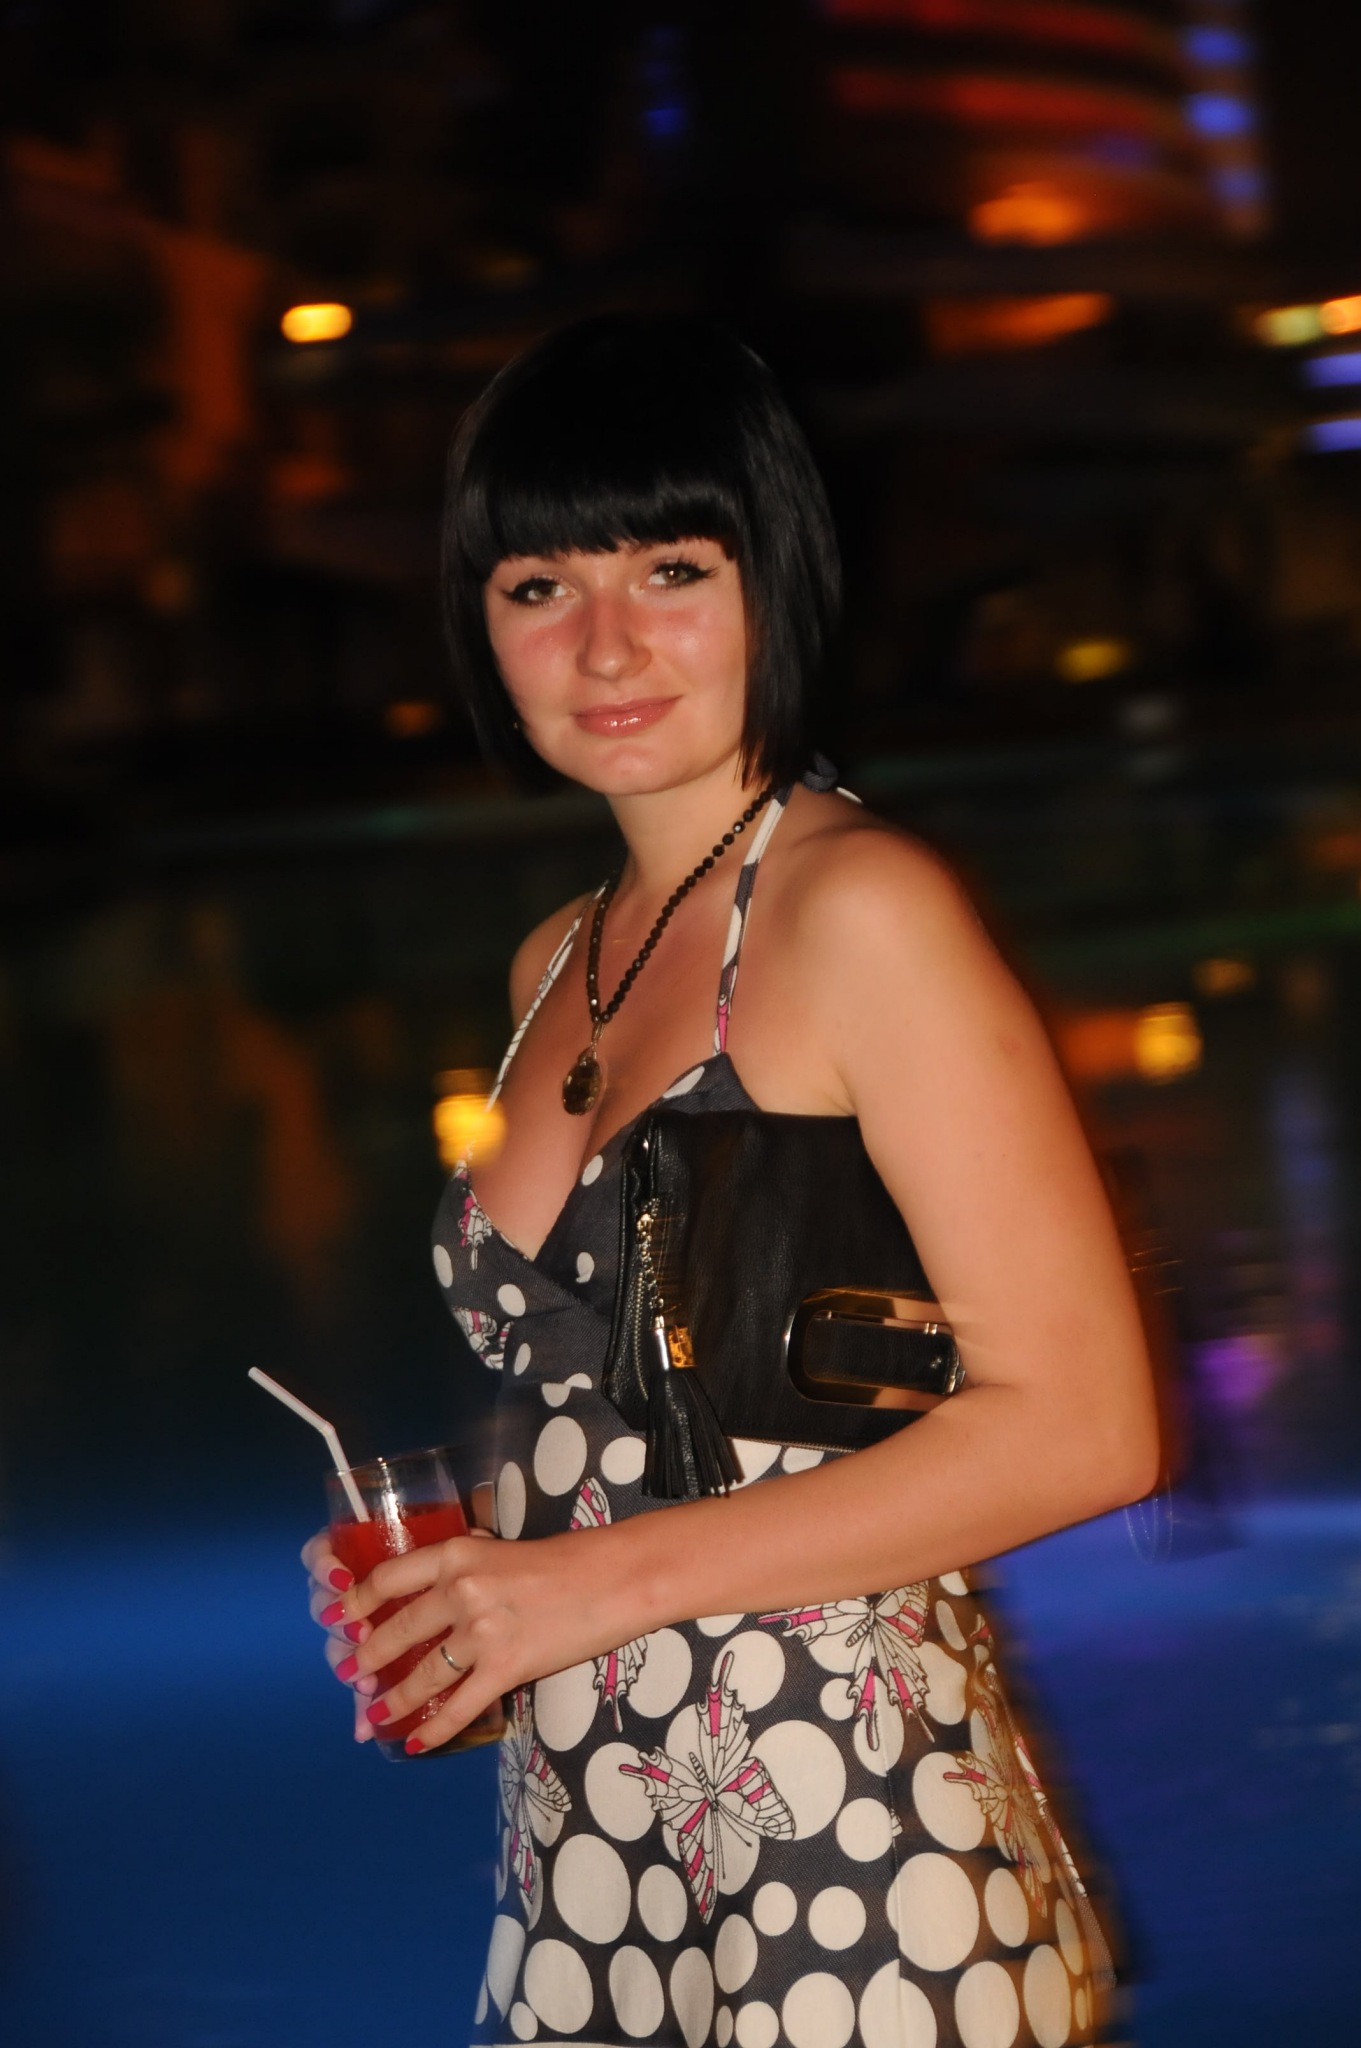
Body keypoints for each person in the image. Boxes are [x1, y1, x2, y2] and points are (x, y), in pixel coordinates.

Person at [303, 314, 1159, 2048]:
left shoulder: (857, 913)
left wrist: (581, 1590)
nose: (604, 643)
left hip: (850, 1828)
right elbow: (631, 1412)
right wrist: (481, 1603)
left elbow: (1086, 1428)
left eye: (671, 570)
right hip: (592, 1833)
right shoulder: (558, 957)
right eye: (538, 586)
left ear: (776, 577)